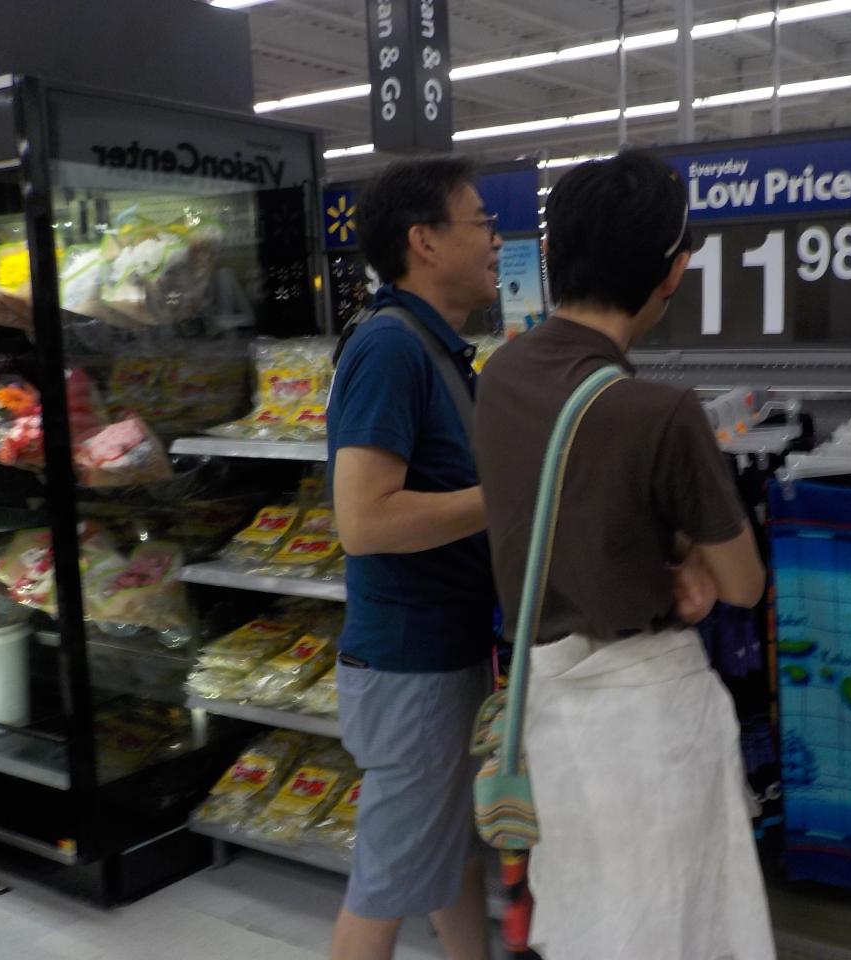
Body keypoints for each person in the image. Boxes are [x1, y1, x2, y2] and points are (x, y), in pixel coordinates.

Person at [473, 150, 776, 960]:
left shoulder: (499, 376)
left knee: (583, 921)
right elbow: (744, 583)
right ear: (673, 272)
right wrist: (690, 559)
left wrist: (661, 550)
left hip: (548, 713)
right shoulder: (660, 414)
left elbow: (560, 515)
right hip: (647, 730)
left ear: (553, 252)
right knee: (671, 927)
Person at [327, 157, 501, 960]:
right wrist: (510, 496)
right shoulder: (391, 348)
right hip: (411, 670)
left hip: (443, 658)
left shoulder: (435, 349)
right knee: (387, 883)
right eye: (481, 222)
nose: (496, 239)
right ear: (424, 241)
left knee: (451, 853)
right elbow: (364, 520)